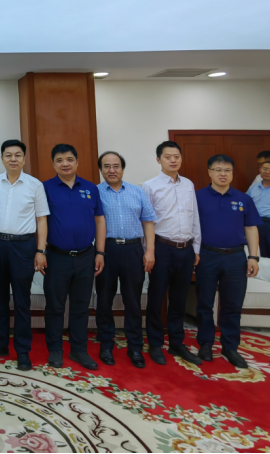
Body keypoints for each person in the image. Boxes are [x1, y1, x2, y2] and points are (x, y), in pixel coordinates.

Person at [0, 139, 48, 372]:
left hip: (24, 246)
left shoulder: (35, 185)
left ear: (24, 159)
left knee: (21, 300)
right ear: (2, 159)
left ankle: (23, 350)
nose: (13, 159)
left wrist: (40, 251)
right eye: (8, 155)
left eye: (18, 155)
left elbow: (41, 219)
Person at [42, 143, 105, 370]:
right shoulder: (45, 188)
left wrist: (100, 252)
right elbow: (40, 221)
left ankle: (79, 350)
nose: (65, 164)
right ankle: (55, 349)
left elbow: (99, 220)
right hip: (57, 256)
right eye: (59, 160)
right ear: (53, 164)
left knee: (81, 306)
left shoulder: (90, 188)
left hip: (86, 256)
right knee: (55, 306)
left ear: (77, 162)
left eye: (69, 159)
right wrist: (40, 252)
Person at [195, 155, 262, 369]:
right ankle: (205, 343)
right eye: (218, 169)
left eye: (227, 170)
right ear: (209, 172)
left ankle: (230, 347)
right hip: (206, 256)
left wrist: (253, 257)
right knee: (204, 303)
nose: (222, 174)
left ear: (232, 173)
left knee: (233, 304)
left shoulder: (243, 199)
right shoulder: (197, 197)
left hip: (235, 258)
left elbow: (251, 227)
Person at [142, 141, 203, 366]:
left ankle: (177, 342)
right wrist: (147, 252)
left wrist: (196, 248)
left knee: (179, 298)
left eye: (177, 156)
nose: (173, 160)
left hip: (185, 249)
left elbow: (194, 217)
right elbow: (145, 221)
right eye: (168, 157)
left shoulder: (188, 184)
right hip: (161, 248)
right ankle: (155, 343)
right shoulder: (150, 186)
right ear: (159, 160)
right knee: (157, 298)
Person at [95, 151, 157, 369]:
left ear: (122, 168)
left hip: (133, 250)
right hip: (106, 250)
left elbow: (148, 222)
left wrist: (150, 251)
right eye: (106, 166)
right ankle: (106, 345)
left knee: (133, 301)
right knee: (104, 300)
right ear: (101, 169)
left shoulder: (137, 192)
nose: (111, 170)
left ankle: (135, 347)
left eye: (116, 166)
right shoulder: (95, 192)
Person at [248, 156, 270, 259]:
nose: (268, 172)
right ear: (260, 170)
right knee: (259, 254)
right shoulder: (254, 187)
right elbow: (247, 204)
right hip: (256, 225)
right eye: (265, 169)